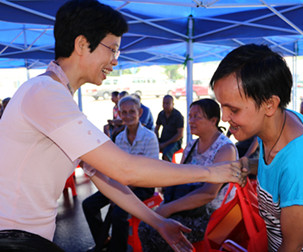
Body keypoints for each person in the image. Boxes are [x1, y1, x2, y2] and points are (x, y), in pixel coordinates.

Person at [0, 1, 244, 251]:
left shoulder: (54, 95)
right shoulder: (45, 93)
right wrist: (212, 172)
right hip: (14, 238)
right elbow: (124, 169)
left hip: (28, 237)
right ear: (82, 44)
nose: (115, 60)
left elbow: (107, 177)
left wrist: (158, 221)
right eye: (113, 49)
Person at [211, 44, 303, 252]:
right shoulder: (283, 122)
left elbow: (292, 246)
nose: (224, 117)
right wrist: (252, 165)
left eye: (233, 109)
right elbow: (280, 165)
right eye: (222, 106)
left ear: (270, 105)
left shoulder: (301, 163)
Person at [139, 98, 238, 251]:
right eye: (190, 116)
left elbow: (208, 194)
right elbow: (180, 176)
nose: (191, 121)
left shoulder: (225, 149)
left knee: (158, 233)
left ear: (213, 120)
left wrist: (168, 208)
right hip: (188, 207)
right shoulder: (192, 145)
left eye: (197, 116)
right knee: (146, 225)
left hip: (211, 215)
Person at [83, 95, 158, 252]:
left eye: (132, 111)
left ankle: (118, 249)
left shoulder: (149, 137)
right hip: (121, 183)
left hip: (143, 186)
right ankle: (103, 240)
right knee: (88, 205)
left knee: (117, 213)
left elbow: (151, 174)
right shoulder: (119, 137)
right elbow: (115, 168)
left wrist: (118, 193)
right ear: (119, 114)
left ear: (140, 112)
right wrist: (114, 191)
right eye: (124, 112)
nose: (128, 116)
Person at [155, 95, 184, 161]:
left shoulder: (178, 115)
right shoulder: (161, 114)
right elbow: (156, 129)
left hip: (175, 142)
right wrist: (156, 140)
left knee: (166, 154)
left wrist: (164, 144)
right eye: (164, 103)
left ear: (173, 104)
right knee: (150, 148)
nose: (165, 105)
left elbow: (180, 134)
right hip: (163, 139)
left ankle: (169, 170)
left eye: (167, 103)